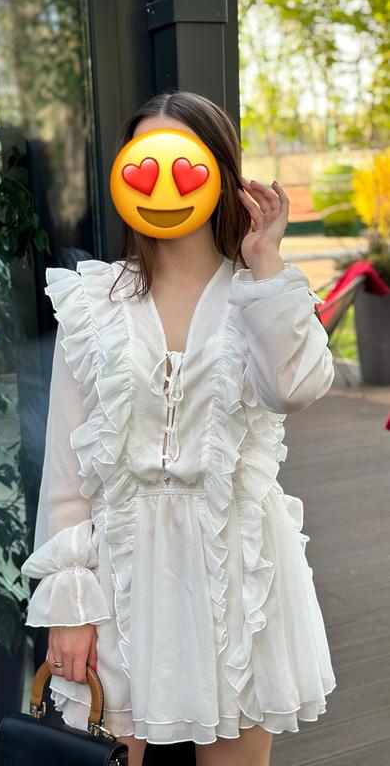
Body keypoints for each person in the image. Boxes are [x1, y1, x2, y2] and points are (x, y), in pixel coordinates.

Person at [20, 90, 337, 766]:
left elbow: (294, 387)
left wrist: (265, 259)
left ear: (220, 173)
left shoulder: (264, 294)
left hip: (240, 578)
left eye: (183, 162)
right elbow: (67, 474)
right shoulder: (92, 302)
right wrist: (69, 604)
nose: (162, 181)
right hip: (122, 578)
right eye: (144, 162)